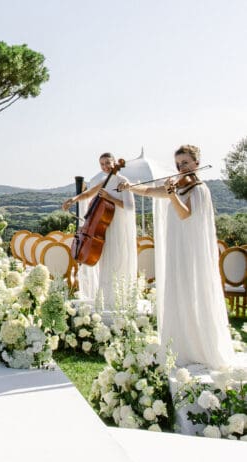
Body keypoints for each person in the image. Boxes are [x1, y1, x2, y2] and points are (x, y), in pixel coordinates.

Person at [119, 145, 238, 369]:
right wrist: (130, 188)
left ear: (196, 163)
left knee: (191, 291)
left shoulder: (199, 189)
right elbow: (150, 192)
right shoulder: (179, 186)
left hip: (190, 252)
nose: (180, 167)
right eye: (177, 163)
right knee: (178, 292)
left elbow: (184, 214)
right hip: (176, 250)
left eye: (184, 163)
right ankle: (181, 347)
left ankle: (198, 347)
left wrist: (172, 194)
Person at [62, 152, 137, 310]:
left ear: (115, 162)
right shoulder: (105, 181)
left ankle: (119, 299)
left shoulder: (123, 181)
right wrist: (73, 200)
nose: (105, 166)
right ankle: (106, 298)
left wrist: (110, 199)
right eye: (102, 164)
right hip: (103, 227)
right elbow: (89, 193)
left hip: (117, 226)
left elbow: (130, 207)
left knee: (116, 259)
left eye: (108, 163)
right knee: (105, 261)